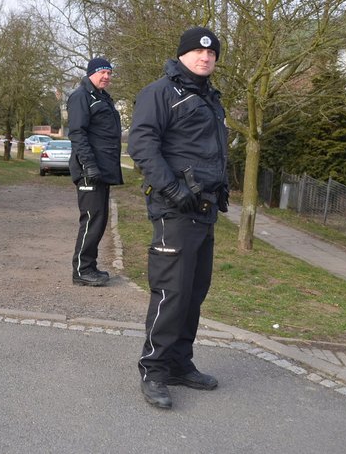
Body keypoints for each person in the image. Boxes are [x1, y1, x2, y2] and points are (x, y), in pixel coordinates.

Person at [127, 27, 229, 410]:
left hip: (204, 211)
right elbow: (142, 145)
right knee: (171, 294)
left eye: (212, 54)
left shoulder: (210, 97)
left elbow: (211, 152)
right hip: (175, 210)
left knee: (194, 294)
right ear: (182, 55)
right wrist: (173, 190)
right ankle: (154, 369)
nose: (205, 58)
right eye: (197, 52)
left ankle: (179, 364)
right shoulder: (161, 93)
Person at [67, 57, 124, 287]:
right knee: (91, 219)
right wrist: (88, 165)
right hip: (90, 170)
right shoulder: (81, 96)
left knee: (99, 221)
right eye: (102, 73)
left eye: (110, 73)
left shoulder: (102, 98)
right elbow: (77, 134)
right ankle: (81, 270)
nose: (107, 77)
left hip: (103, 170)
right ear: (91, 73)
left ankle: (88, 266)